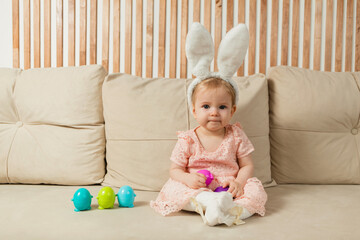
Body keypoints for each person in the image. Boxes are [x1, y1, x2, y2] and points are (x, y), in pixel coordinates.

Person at [150, 22, 267, 226]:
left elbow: (247, 165)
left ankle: (229, 208)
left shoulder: (236, 135)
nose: (214, 112)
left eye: (222, 107)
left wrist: (238, 182)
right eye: (206, 106)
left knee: (256, 190)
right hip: (197, 187)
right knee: (173, 188)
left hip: (228, 187)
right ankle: (210, 204)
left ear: (232, 111)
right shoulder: (188, 139)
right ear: (194, 111)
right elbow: (175, 170)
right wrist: (187, 180)